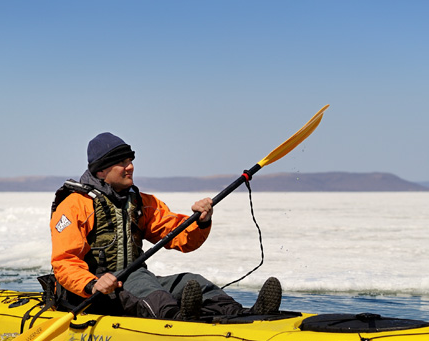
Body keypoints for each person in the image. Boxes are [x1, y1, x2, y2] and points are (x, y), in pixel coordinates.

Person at [49, 132, 281, 320]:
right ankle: (179, 320)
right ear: (101, 170)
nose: (129, 167)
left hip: (135, 280)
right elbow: (64, 261)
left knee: (194, 281)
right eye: (121, 163)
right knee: (148, 290)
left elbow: (180, 238)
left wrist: (201, 221)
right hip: (96, 291)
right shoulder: (74, 205)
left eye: (130, 161)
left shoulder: (142, 202)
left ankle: (243, 314)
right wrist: (92, 283)